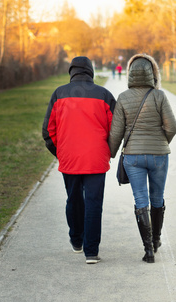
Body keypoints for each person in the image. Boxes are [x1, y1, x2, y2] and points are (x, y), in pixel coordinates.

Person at [42, 56, 116, 264]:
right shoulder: (105, 95)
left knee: (73, 199)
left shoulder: (59, 93)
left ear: (71, 71)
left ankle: (76, 241)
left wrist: (61, 152)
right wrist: (108, 151)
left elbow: (48, 131)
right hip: (95, 159)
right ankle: (91, 252)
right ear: (91, 71)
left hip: (70, 158)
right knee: (94, 203)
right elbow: (117, 129)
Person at [108, 54, 176, 263]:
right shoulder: (159, 96)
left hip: (133, 158)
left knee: (141, 201)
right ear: (151, 74)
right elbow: (172, 126)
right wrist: (162, 141)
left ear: (130, 74)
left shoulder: (123, 97)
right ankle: (156, 240)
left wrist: (112, 153)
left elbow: (115, 133)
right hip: (159, 157)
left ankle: (148, 251)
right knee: (158, 198)